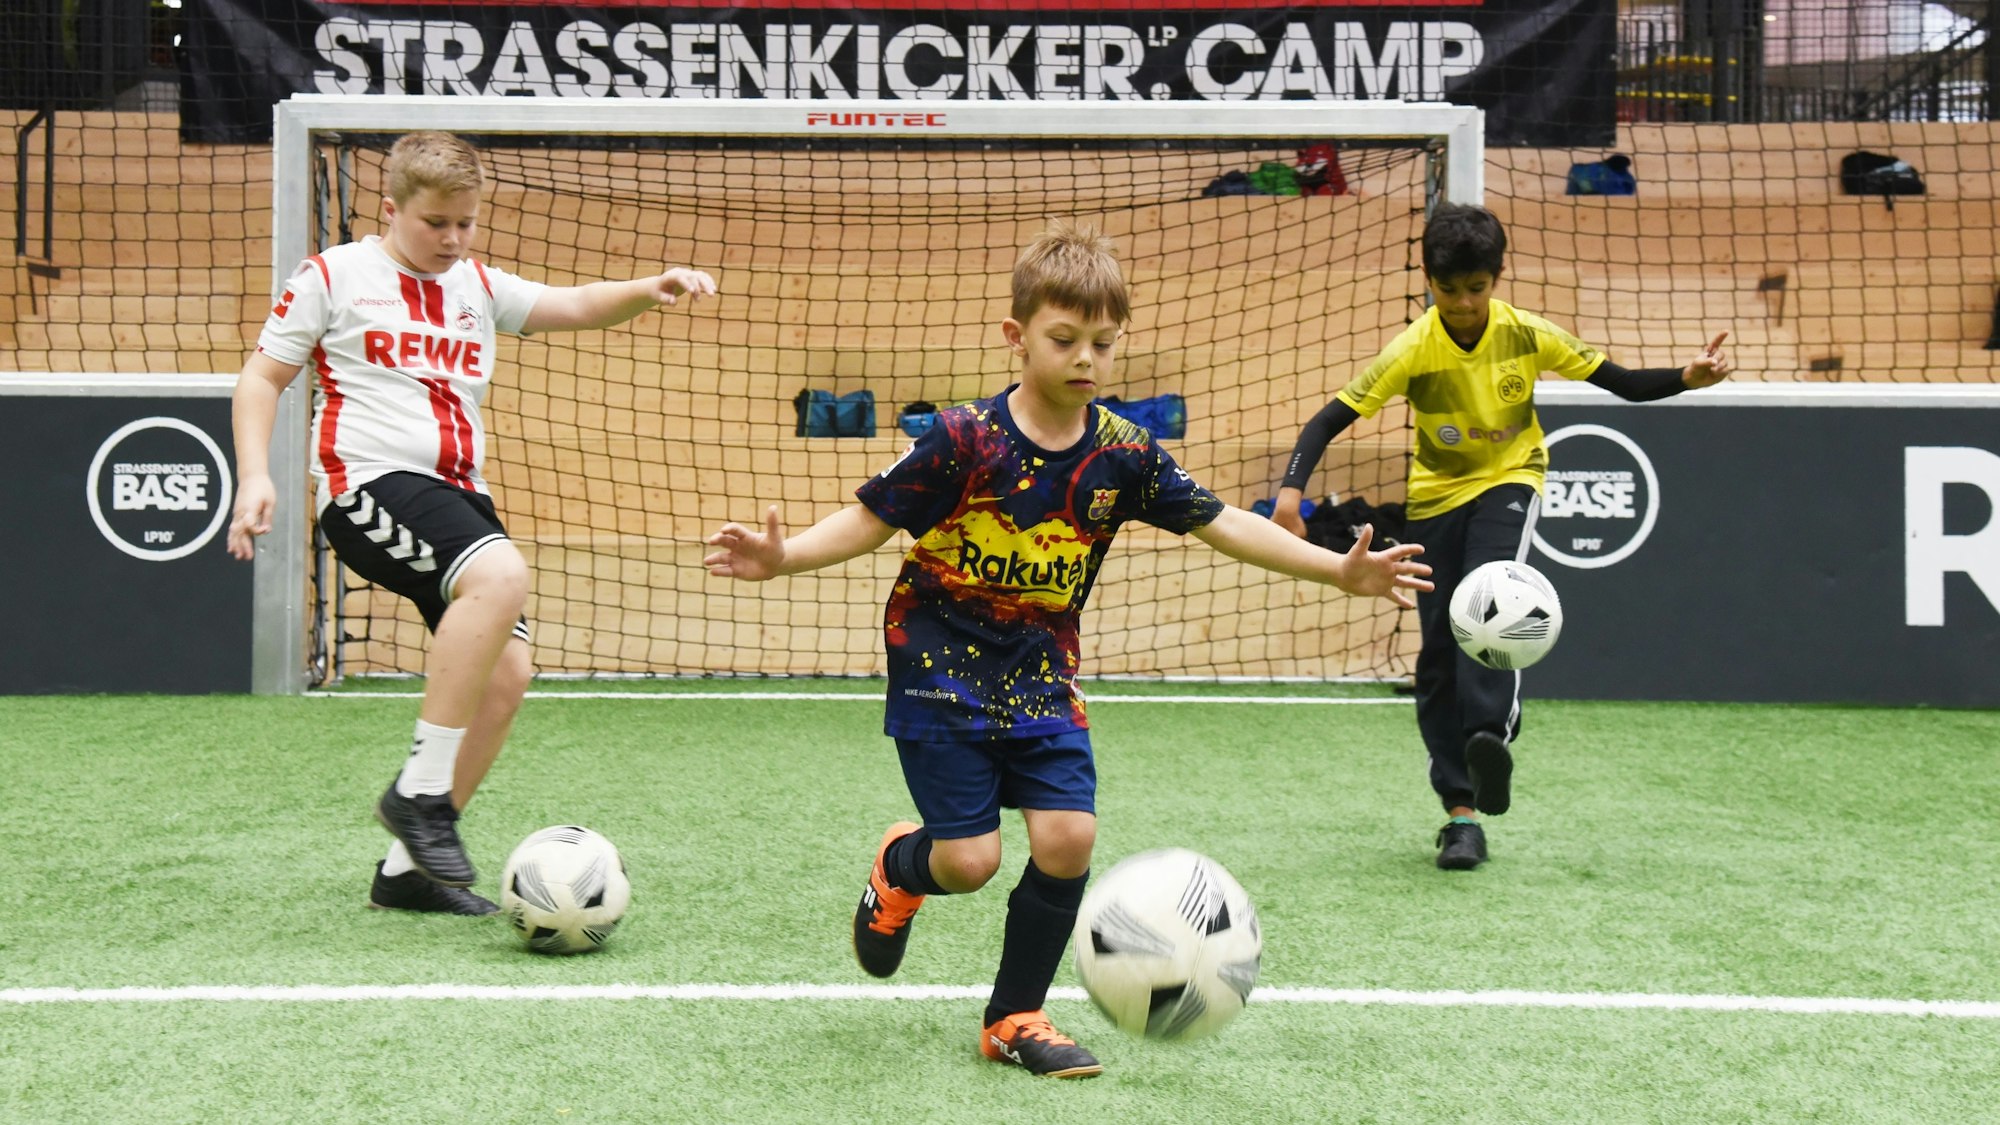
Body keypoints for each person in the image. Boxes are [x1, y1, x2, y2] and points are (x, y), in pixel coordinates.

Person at [703, 219, 1431, 1077]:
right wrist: (784, 556)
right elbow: (871, 521)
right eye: (1064, 338)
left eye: (1103, 343)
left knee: (1068, 838)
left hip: (1043, 672)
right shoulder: (963, 439)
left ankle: (1014, 1016)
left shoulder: (1123, 454)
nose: (1086, 357)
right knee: (970, 862)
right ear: (1017, 337)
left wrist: (1335, 572)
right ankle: (902, 869)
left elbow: (1224, 522)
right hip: (939, 663)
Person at [226, 131, 716, 914]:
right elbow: (262, 376)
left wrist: (644, 285)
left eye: (466, 222)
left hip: (457, 501)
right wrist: (255, 473)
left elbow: (574, 305)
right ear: (391, 209)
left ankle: (408, 871)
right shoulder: (333, 275)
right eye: (436, 224)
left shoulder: (475, 286)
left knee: (508, 675)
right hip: (368, 488)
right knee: (503, 572)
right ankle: (418, 795)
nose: (454, 239)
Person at [1269, 202, 1733, 871]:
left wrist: (1686, 379)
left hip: (1512, 480)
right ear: (1428, 280)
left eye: (1476, 289)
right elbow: (1326, 420)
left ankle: (1493, 729)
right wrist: (1290, 494)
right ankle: (1462, 814)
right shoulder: (1412, 348)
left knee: (1490, 597)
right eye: (1447, 289)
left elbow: (1623, 384)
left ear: (1497, 278)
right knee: (1436, 657)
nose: (1462, 303)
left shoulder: (1526, 334)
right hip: (1434, 497)